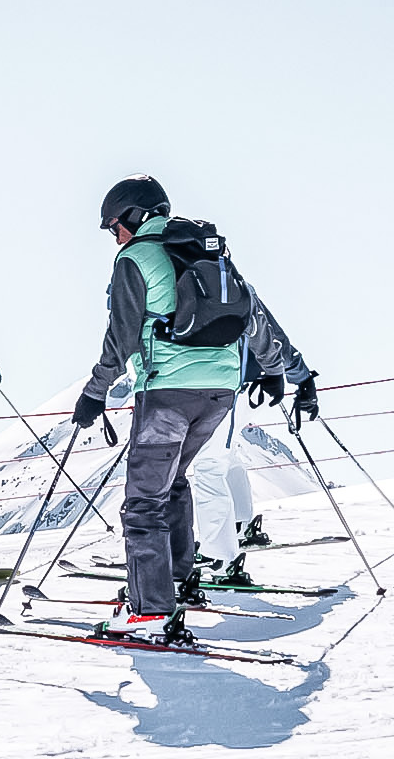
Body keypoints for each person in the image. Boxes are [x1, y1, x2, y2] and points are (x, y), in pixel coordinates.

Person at [70, 174, 304, 643]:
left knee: (141, 504)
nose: (113, 235)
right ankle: (175, 581)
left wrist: (95, 393)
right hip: (219, 393)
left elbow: (121, 337)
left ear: (136, 216)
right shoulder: (208, 252)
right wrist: (278, 368)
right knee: (173, 481)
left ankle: (151, 612)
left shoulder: (135, 259)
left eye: (114, 225)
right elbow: (252, 313)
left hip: (167, 393)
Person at [186, 297, 318, 588]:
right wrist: (302, 376)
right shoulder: (230, 282)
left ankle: (219, 556)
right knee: (227, 453)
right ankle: (240, 525)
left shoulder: (172, 277)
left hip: (208, 386)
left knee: (210, 464)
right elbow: (271, 333)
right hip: (246, 387)